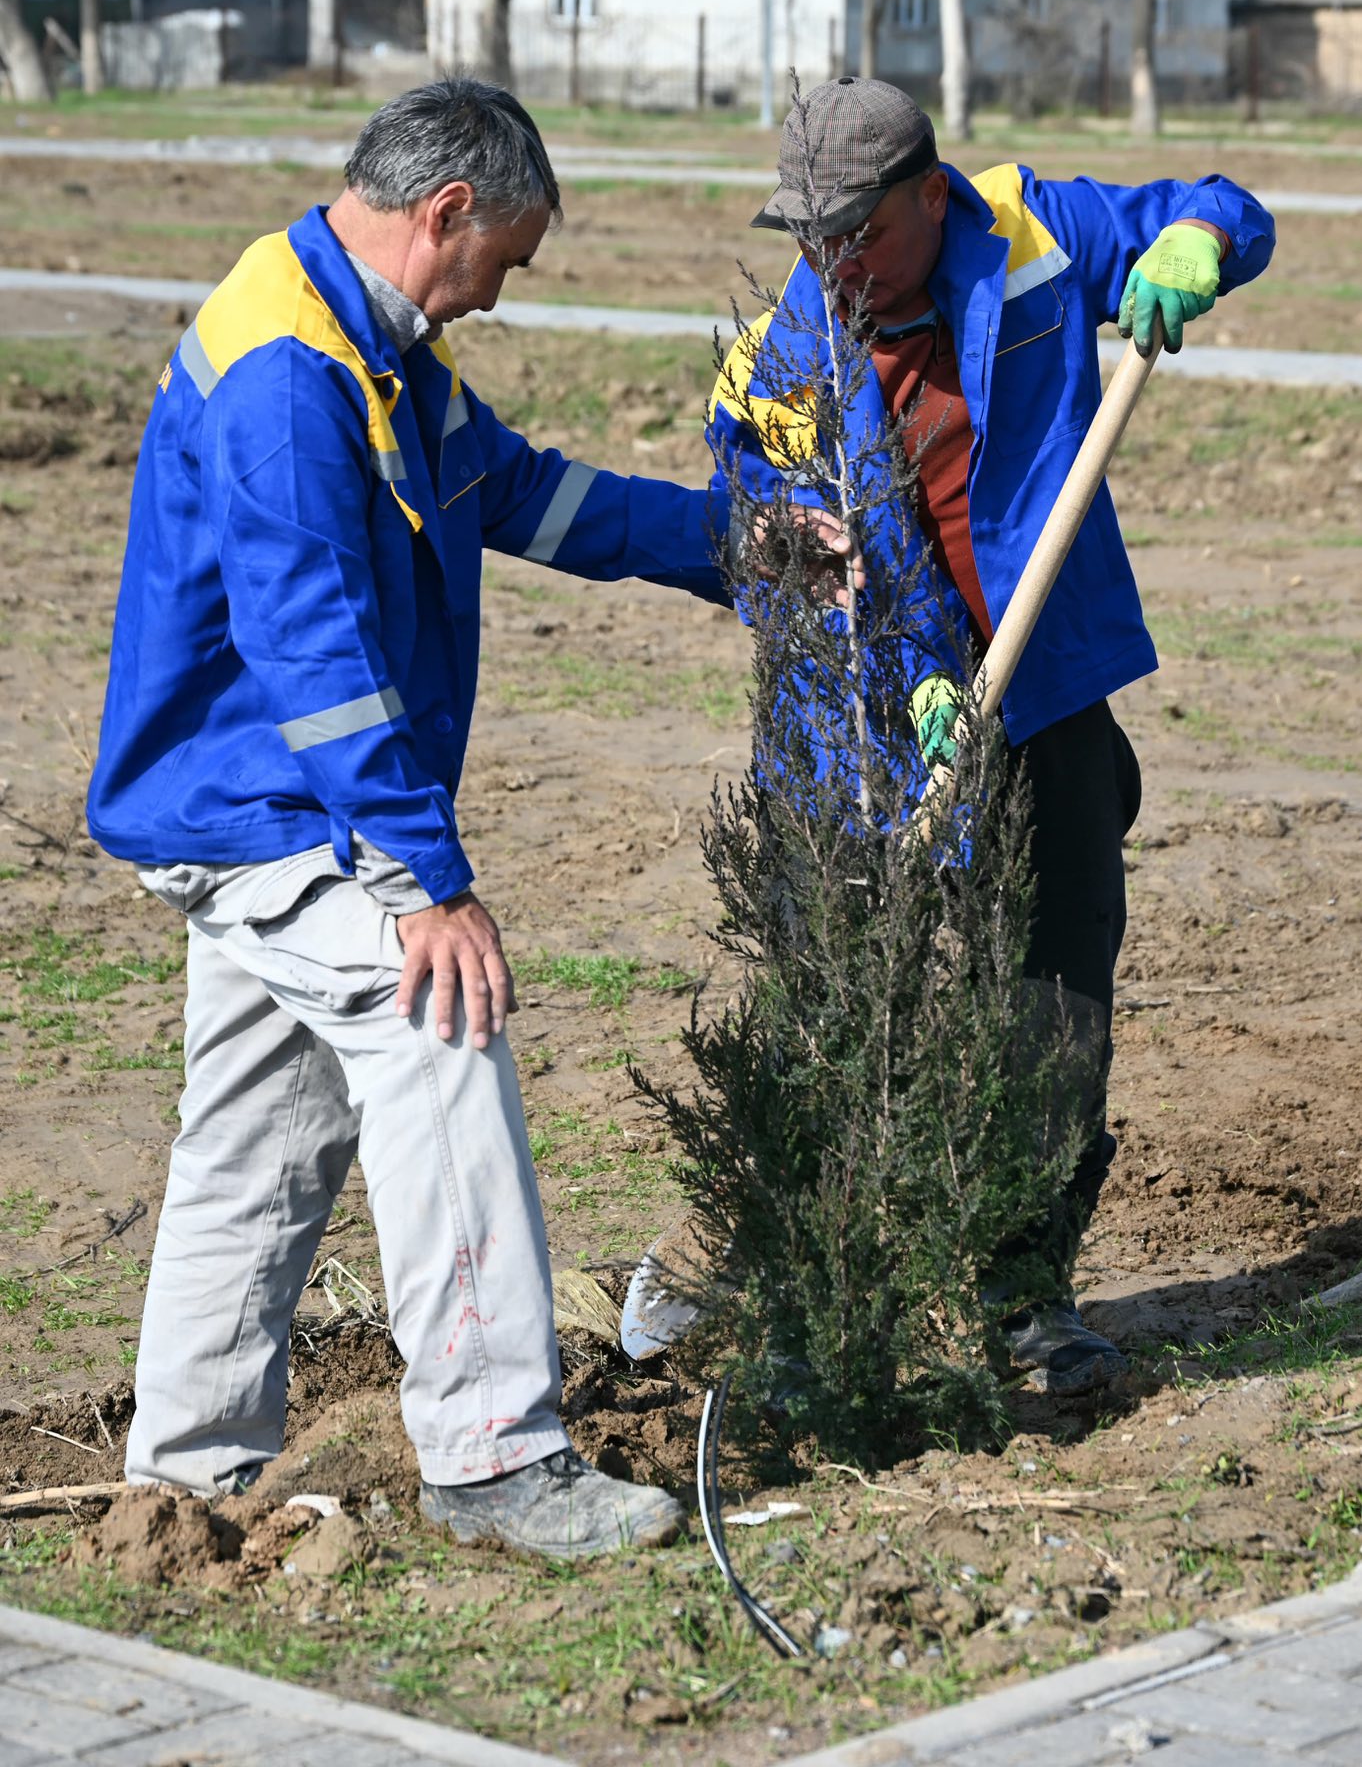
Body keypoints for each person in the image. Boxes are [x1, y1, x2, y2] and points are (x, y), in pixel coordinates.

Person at [87, 77, 733, 1559]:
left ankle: (184, 1480)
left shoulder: (368, 345)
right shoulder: (286, 378)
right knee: (441, 1019)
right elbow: (312, 655)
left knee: (258, 1136)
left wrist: (728, 545)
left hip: (264, 801)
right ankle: (495, 1454)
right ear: (443, 213)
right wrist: (426, 883)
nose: (496, 297)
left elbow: (525, 494)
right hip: (265, 807)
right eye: (500, 260)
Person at [625, 75, 1275, 1394]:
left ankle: (1021, 1295)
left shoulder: (1030, 237)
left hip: (1041, 687)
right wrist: (910, 680)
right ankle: (772, 1296)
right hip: (860, 720)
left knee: (1054, 993)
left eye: (856, 229)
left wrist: (1197, 246)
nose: (831, 261)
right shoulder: (787, 363)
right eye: (808, 236)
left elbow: (1221, 207)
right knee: (837, 996)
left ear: (932, 193)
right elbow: (779, 557)